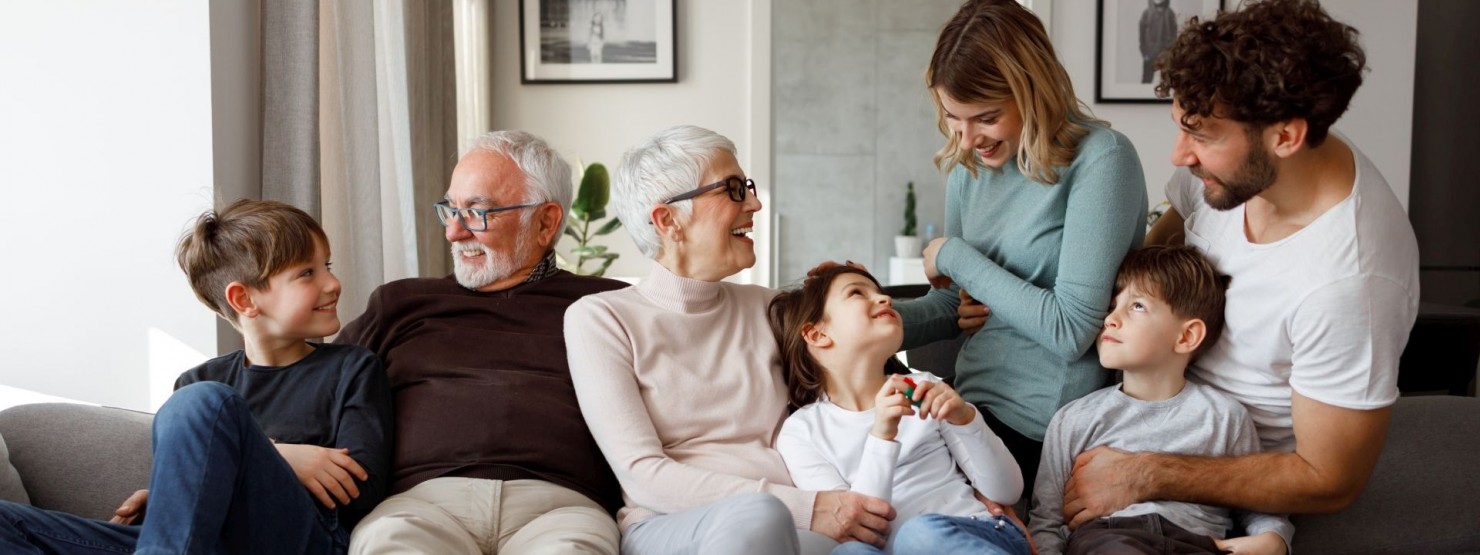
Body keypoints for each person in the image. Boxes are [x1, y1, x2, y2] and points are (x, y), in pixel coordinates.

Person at [1062, 0, 1421, 528]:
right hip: (1145, 403)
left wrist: (1146, 473)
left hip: (1235, 481)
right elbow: (1147, 262)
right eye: (1182, 128)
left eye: (1202, 135)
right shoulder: (1230, 173)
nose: (1180, 155)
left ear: (1285, 136)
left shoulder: (1351, 283)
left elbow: (1330, 479)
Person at [565, 125, 895, 555]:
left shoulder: (771, 308)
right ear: (669, 221)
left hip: (802, 520)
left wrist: (938, 307)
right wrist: (804, 506)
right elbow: (643, 474)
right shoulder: (603, 319)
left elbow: (867, 355)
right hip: (674, 525)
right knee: (761, 514)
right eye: (734, 189)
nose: (755, 203)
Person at [0, 199, 393, 554]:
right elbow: (198, 492)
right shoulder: (198, 380)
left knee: (204, 403)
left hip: (298, 539)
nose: (332, 283)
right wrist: (282, 456)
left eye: (327, 265)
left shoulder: (352, 369)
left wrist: (253, 458)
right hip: (200, 543)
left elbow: (362, 489)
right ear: (244, 299)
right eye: (308, 273)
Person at [897, 0, 1148, 498]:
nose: (966, 140)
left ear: (1033, 91)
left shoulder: (1101, 160)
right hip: (964, 405)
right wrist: (856, 317)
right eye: (953, 118)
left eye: (986, 117)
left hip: (1039, 427)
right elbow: (956, 307)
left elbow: (1071, 328)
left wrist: (951, 253)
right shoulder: (968, 168)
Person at [337, 130, 627, 554]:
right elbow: (315, 386)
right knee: (389, 543)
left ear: (545, 221)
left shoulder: (608, 306)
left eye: (478, 212)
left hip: (560, 508)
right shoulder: (399, 304)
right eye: (451, 210)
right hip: (420, 506)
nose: (454, 232)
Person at [1030, 246, 1292, 555]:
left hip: (1198, 542)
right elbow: (1045, 523)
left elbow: (1258, 501)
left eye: (1137, 306)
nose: (1110, 319)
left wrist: (1274, 539)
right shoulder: (1074, 419)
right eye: (1113, 305)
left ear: (1186, 337)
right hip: (1109, 539)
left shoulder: (1224, 417)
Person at [769, 265, 1029, 555]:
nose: (886, 299)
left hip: (974, 532)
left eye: (880, 293)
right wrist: (881, 437)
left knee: (919, 534)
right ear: (817, 335)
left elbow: (1006, 492)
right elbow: (856, 529)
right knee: (848, 553)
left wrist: (967, 419)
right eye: (857, 293)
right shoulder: (801, 432)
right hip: (886, 549)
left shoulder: (924, 389)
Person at [1139, 0, 1178, 84]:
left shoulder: (1170, 13)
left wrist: (1170, 51)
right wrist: (1144, 52)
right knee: (1146, 79)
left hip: (1165, 54)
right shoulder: (1146, 13)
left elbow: (1174, 34)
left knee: (1167, 81)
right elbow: (1142, 35)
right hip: (1150, 53)